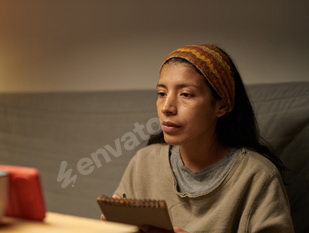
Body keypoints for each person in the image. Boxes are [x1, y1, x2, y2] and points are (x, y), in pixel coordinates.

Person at [101, 44, 295, 232]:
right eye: (162, 93)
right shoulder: (143, 162)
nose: (166, 107)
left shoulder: (258, 176)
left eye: (186, 94)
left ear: (222, 106)